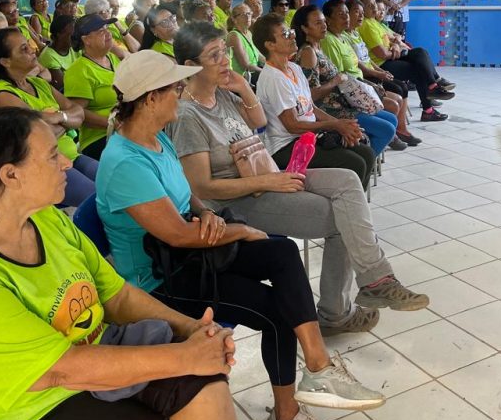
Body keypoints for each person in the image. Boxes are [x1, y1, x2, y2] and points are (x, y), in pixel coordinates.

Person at [0, 107, 272, 420]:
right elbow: (59, 370)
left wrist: (191, 331)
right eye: (51, 155)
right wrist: (185, 354)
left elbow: (117, 296)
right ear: (10, 175)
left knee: (202, 376)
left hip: (87, 373)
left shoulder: (45, 219)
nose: (66, 161)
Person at [97, 50, 385, 420]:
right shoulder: (125, 162)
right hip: (162, 280)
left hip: (194, 256)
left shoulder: (158, 138)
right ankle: (287, 417)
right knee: (276, 311)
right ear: (149, 99)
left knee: (281, 252)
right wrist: (240, 229)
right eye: (174, 88)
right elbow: (177, 236)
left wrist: (204, 213)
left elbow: (187, 197)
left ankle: (318, 367)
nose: (180, 94)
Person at [168, 22, 430, 327]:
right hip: (236, 201)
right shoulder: (187, 116)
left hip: (264, 175)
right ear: (191, 66)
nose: (225, 60)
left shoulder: (221, 94)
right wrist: (269, 181)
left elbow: (257, 120)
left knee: (347, 180)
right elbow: (202, 187)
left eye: (224, 52)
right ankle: (338, 313)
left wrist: (243, 87)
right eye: (214, 56)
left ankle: (375, 281)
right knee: (341, 220)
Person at [251, 13, 376, 189]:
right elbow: (292, 126)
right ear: (270, 45)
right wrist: (334, 125)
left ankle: (351, 202)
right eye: (285, 35)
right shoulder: (274, 78)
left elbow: (311, 108)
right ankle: (342, 202)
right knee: (355, 163)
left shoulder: (293, 68)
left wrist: (342, 125)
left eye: (291, 32)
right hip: (286, 146)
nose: (293, 36)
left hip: (307, 137)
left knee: (367, 154)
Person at [0, 28, 99, 207]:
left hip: (70, 155)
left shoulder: (38, 83)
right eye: (24, 49)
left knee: (116, 183)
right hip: (41, 168)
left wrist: (58, 117)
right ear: (5, 61)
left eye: (29, 44)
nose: (33, 49)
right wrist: (66, 122)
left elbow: (79, 113)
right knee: (100, 199)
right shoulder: (1, 95)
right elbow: (37, 138)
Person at [293, 4, 398, 156]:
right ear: (305, 28)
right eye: (317, 23)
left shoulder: (318, 47)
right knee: (386, 129)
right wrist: (335, 81)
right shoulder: (308, 53)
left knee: (391, 119)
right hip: (331, 110)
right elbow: (311, 95)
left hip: (343, 103)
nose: (324, 26)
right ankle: (363, 162)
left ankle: (364, 155)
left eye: (324, 21)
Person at [358, 0, 451, 123]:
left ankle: (432, 90)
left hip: (391, 57)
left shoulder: (375, 22)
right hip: (382, 64)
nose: (374, 8)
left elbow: (394, 37)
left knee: (420, 56)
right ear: (362, 9)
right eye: (369, 6)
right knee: (418, 60)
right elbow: (382, 54)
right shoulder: (367, 25)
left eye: (374, 5)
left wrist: (396, 45)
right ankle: (433, 88)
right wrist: (396, 49)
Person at [345, 0, 420, 147]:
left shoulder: (356, 34)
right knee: (395, 98)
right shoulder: (345, 37)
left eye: (362, 13)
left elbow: (366, 58)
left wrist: (380, 70)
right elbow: (358, 63)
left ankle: (399, 130)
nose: (361, 16)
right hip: (362, 78)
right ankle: (393, 134)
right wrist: (377, 74)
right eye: (356, 12)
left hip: (371, 72)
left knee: (402, 87)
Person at [63, 14, 121, 159]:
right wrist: (114, 124)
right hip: (100, 138)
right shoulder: (79, 70)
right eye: (101, 31)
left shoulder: (112, 58)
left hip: (124, 129)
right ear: (86, 40)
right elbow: (78, 112)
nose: (108, 33)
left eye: (107, 28)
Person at [38, 14, 78, 92]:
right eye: (72, 35)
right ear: (59, 35)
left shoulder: (74, 48)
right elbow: (63, 87)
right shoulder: (49, 57)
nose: (76, 37)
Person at [227, 3, 264, 77]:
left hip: (254, 71)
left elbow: (259, 56)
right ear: (234, 19)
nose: (247, 17)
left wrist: (272, 66)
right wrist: (265, 72)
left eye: (249, 13)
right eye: (243, 14)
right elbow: (246, 65)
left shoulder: (249, 33)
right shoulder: (234, 36)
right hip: (244, 76)